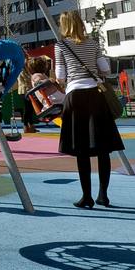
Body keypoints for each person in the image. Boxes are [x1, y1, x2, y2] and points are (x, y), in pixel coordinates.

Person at [54, 11, 124, 209]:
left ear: (64, 25)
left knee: (81, 149)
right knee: (104, 149)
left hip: (75, 96)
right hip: (96, 95)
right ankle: (104, 195)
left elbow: (60, 75)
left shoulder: (61, 46)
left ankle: (87, 197)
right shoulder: (93, 43)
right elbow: (105, 69)